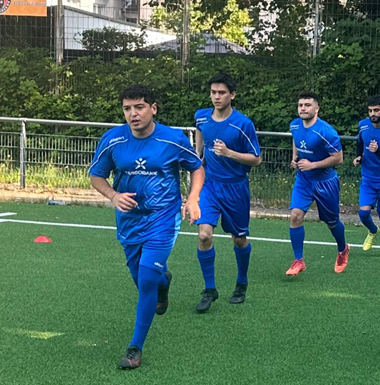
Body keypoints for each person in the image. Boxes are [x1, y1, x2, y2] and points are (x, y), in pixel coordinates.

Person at [89, 84, 204, 369]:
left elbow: (196, 167)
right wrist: (114, 196)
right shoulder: (113, 139)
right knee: (145, 280)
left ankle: (135, 348)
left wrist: (192, 199)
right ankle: (164, 283)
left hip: (163, 218)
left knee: (147, 279)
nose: (133, 114)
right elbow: (96, 176)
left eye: (139, 107)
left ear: (153, 108)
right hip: (129, 222)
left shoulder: (172, 139)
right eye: (127, 108)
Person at [193, 73, 262, 313]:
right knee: (204, 236)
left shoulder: (243, 124)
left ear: (232, 95)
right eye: (213, 92)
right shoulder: (201, 116)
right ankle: (209, 289)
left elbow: (257, 159)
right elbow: (199, 131)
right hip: (210, 185)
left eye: (221, 92)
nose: (216, 97)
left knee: (239, 239)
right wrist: (197, 155)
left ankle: (242, 282)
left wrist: (229, 153)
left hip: (235, 187)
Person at [286, 91, 349, 276]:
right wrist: (295, 157)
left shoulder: (326, 131)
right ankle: (298, 261)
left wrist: (313, 164)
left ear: (316, 108)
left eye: (307, 105)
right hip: (304, 179)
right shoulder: (295, 125)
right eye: (300, 105)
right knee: (295, 216)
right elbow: (296, 141)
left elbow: (338, 158)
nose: (303, 108)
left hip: (325, 182)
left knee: (331, 222)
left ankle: (342, 249)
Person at [353, 95, 380, 258]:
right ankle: (373, 231)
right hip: (368, 177)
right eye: (370, 110)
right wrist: (359, 156)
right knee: (363, 213)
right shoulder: (363, 125)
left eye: (376, 110)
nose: (373, 113)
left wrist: (378, 151)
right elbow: (360, 142)